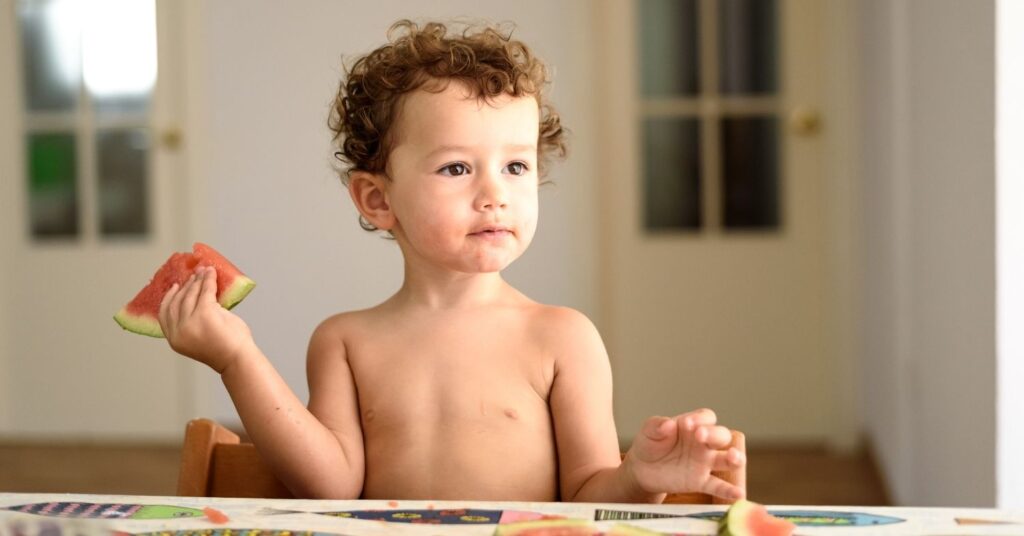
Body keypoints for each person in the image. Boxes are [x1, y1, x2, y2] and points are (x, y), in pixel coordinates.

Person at [158, 20, 746, 503]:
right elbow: (329, 486)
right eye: (457, 168)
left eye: (516, 167)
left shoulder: (564, 338)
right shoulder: (344, 341)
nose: (495, 194)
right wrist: (235, 358)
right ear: (377, 199)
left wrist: (640, 479)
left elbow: (590, 496)